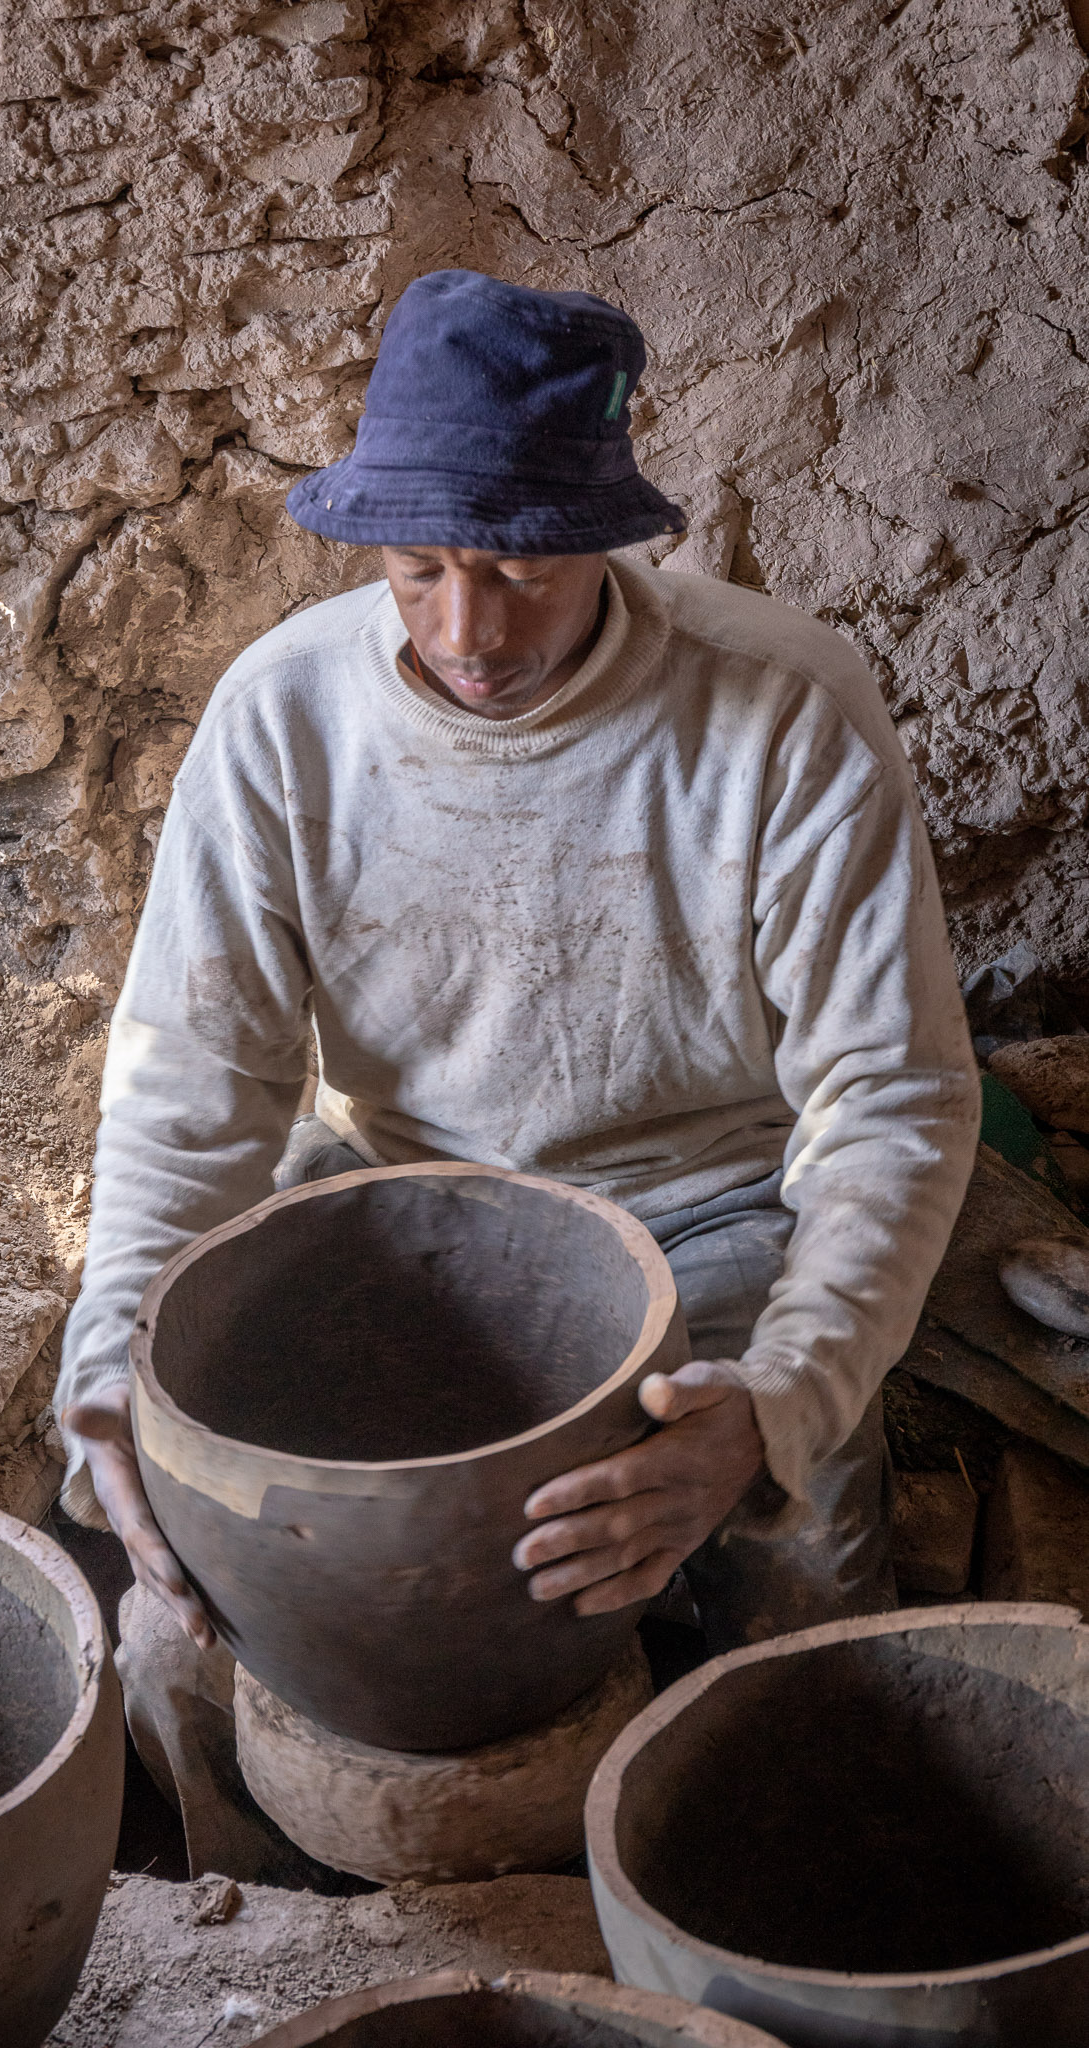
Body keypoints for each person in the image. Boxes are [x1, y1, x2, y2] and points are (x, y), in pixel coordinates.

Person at [56, 269, 981, 1877]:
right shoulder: (282, 717)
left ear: (612, 536)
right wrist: (108, 1379)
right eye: (416, 572)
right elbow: (187, 1087)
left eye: (520, 571)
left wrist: (768, 1411)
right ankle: (258, 1942)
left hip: (708, 1203)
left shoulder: (780, 711)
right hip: (393, 1193)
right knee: (176, 1619)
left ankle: (763, 1915)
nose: (467, 632)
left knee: (797, 1562)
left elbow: (891, 1103)